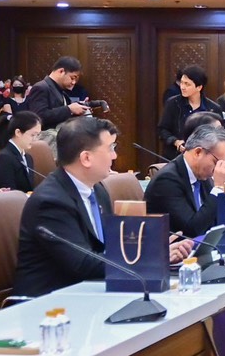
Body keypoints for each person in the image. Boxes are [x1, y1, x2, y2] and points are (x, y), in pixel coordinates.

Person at [15, 116, 190, 298]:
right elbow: (83, 264)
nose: (115, 156)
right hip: (49, 301)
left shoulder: (97, 190)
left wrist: (154, 249)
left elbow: (110, 248)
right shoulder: (51, 202)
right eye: (110, 148)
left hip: (91, 290)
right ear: (86, 158)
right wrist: (151, 258)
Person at [144, 123, 225, 237]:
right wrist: (218, 189)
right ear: (198, 152)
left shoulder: (202, 176)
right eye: (217, 162)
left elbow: (217, 221)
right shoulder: (167, 180)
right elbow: (192, 230)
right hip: (175, 246)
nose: (219, 169)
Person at [157, 65, 223, 157]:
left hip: (203, 157)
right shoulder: (173, 103)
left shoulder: (213, 109)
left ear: (199, 87)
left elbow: (219, 136)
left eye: (187, 84)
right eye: (182, 83)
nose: (182, 87)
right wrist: (175, 141)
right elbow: (162, 130)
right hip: (175, 156)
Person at [23, 56, 90, 136]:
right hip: (46, 138)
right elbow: (39, 116)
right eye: (72, 78)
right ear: (61, 71)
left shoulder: (61, 91)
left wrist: (79, 110)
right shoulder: (41, 87)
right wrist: (69, 109)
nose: (73, 82)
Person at [0, 111, 42, 192]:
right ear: (18, 132)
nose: (35, 139)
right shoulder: (5, 158)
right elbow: (8, 192)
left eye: (38, 135)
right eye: (32, 135)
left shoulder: (28, 157)